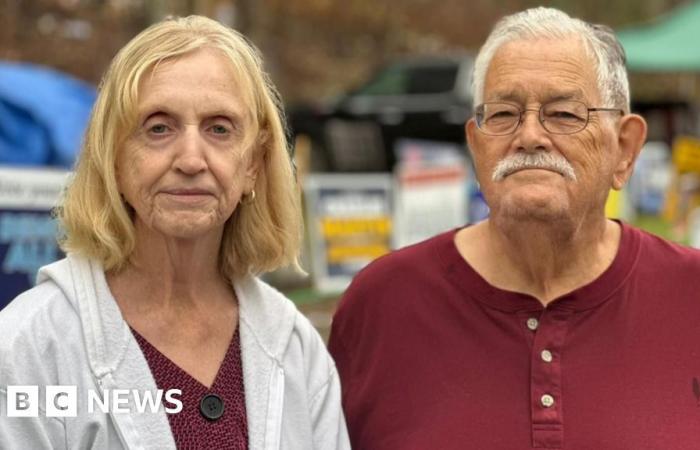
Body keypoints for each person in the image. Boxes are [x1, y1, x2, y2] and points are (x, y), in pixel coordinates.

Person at [328, 7, 700, 450]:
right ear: (475, 144)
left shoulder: (689, 294)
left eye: (563, 114)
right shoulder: (382, 304)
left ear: (624, 149)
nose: (529, 135)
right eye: (503, 114)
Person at [0, 15, 349, 449]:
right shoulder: (29, 347)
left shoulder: (295, 347)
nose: (190, 159)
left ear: (253, 165)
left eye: (219, 129)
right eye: (158, 128)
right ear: (112, 158)